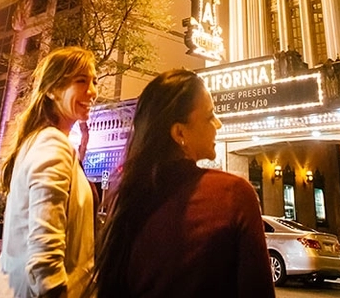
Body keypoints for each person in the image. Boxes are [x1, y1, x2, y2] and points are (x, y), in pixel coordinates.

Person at [94, 68, 275, 298]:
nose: (218, 124)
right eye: (210, 116)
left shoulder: (126, 201)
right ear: (180, 133)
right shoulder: (234, 195)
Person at [0, 46, 98, 298]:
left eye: (93, 81)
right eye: (81, 81)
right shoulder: (52, 144)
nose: (92, 91)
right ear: (52, 90)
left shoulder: (39, 141)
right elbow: (45, 255)